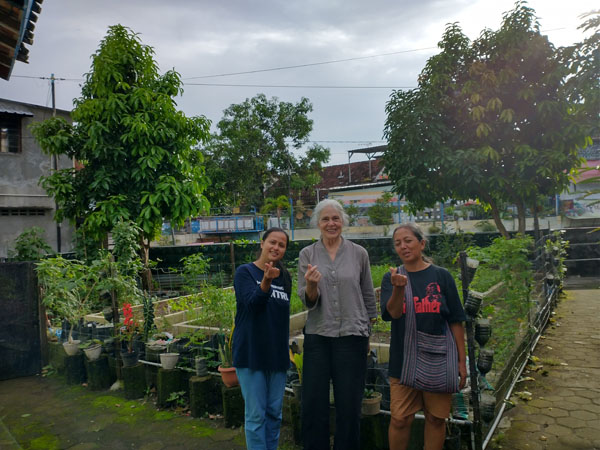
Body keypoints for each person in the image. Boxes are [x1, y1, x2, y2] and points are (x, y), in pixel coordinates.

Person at [297, 199, 377, 450]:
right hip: (318, 336)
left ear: (343, 221)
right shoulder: (307, 254)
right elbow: (308, 303)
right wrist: (311, 285)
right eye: (325, 219)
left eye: (335, 218)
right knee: (313, 402)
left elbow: (367, 297)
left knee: (349, 404)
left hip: (352, 336)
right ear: (317, 224)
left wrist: (367, 335)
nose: (331, 223)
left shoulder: (359, 253)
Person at [380, 223, 467, 450]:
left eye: (408, 241)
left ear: (422, 243)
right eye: (398, 243)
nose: (403, 247)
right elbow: (394, 313)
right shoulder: (391, 277)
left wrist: (461, 361)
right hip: (403, 359)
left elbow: (455, 320)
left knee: (436, 418)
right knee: (400, 419)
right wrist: (398, 288)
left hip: (439, 358)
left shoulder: (441, 276)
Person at [232, 227, 292, 450]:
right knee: (256, 417)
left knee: (274, 414)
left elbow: (281, 317)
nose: (276, 247)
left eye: (281, 245)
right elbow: (252, 305)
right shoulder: (245, 273)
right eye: (272, 242)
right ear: (262, 243)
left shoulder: (285, 277)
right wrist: (266, 281)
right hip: (251, 354)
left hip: (276, 355)